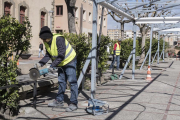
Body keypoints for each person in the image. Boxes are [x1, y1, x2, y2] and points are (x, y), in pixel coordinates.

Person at [35, 26, 78, 112]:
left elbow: (61, 55)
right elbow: (48, 55)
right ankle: (59, 100)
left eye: (44, 39)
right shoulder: (47, 42)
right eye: (42, 39)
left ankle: (73, 103)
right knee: (61, 81)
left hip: (70, 60)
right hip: (60, 63)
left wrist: (52, 66)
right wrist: (40, 63)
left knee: (72, 81)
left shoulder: (59, 39)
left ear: (49, 37)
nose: (43, 41)